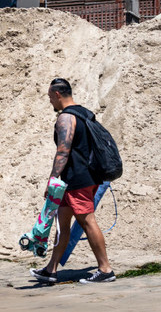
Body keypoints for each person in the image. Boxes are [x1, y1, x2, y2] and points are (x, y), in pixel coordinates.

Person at [30, 78, 115, 284]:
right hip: (77, 179)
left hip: (78, 179)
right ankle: (51, 269)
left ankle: (105, 270)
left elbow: (63, 151)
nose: (50, 102)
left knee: (87, 221)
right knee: (63, 224)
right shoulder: (85, 112)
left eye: (50, 97)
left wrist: (52, 179)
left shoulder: (65, 118)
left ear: (58, 94)